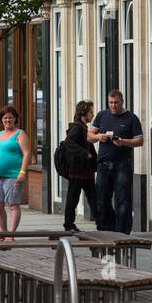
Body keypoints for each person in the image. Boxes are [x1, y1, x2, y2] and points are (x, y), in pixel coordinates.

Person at [91, 89, 143, 234]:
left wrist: (123, 142)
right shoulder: (102, 115)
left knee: (123, 201)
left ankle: (122, 232)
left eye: (116, 103)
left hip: (122, 165)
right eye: (111, 103)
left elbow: (140, 141)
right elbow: (90, 135)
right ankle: (106, 228)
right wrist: (98, 137)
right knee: (102, 200)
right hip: (103, 165)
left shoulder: (131, 118)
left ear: (122, 102)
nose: (113, 106)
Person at [0, 104, 30, 239]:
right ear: (1, 120)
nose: (8, 120)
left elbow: (27, 154)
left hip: (13, 175)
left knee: (12, 204)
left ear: (15, 119)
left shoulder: (20, 134)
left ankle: (10, 235)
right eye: (5, 118)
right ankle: (3, 232)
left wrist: (22, 172)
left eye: (11, 118)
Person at [62, 100, 98, 234]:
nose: (92, 115)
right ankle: (69, 224)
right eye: (90, 113)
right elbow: (69, 143)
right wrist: (85, 154)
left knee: (93, 196)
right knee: (73, 197)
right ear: (83, 113)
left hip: (85, 170)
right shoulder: (77, 127)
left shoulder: (83, 127)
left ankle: (100, 221)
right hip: (77, 170)